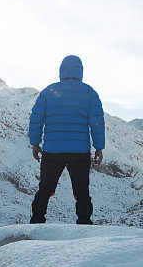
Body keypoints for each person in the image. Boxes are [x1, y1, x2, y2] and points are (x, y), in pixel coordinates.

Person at [28, 55, 105, 224]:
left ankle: (36, 222)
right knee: (82, 192)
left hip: (52, 152)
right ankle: (84, 224)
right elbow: (97, 123)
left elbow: (36, 119)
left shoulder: (48, 92)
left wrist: (35, 143)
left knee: (45, 190)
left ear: (61, 71)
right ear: (81, 71)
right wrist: (99, 147)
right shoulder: (90, 93)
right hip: (80, 153)